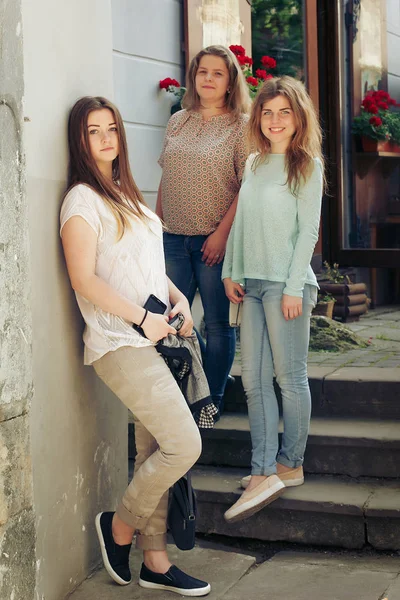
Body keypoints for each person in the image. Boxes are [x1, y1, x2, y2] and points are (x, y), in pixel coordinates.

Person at [60, 96, 211, 596]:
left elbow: (147, 266)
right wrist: (143, 318)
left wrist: (178, 300)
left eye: (111, 129)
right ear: (79, 141)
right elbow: (84, 279)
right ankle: (119, 527)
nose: (105, 138)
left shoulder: (126, 194)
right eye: (92, 131)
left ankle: (155, 561)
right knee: (184, 444)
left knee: (154, 448)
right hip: (119, 341)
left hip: (156, 334)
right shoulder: (82, 199)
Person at [222, 76, 324, 523]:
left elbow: (309, 233)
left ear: (298, 117)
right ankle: (262, 469)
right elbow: (242, 223)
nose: (275, 120)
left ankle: (290, 463)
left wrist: (292, 288)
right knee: (254, 381)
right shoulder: (253, 163)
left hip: (287, 286)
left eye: (284, 112)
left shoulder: (307, 165)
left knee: (289, 376)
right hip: (251, 283)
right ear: (258, 117)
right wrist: (230, 271)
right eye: (268, 112)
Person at [157, 45, 251, 419]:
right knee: (171, 321)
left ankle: (210, 402)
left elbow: (248, 186)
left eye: (218, 73)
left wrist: (222, 236)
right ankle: (179, 397)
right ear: (194, 78)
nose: (208, 79)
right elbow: (167, 176)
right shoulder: (178, 120)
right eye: (202, 72)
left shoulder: (242, 125)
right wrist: (156, 227)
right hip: (172, 239)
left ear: (230, 83)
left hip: (213, 240)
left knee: (216, 322)